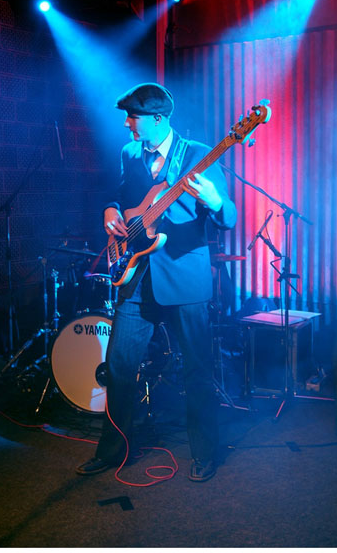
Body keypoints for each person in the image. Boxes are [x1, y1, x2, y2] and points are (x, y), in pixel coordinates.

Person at [76, 83, 237, 482]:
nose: (127, 124)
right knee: (118, 366)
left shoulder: (197, 154)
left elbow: (229, 217)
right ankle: (112, 451)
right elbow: (117, 194)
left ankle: (204, 453)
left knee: (197, 370)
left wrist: (215, 201)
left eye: (133, 117)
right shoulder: (130, 153)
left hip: (184, 277)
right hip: (135, 274)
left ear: (158, 119)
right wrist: (110, 210)